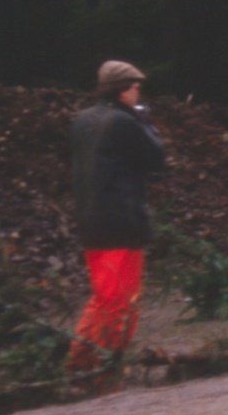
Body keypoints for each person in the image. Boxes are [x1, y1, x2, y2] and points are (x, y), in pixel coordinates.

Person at [68, 60, 167, 382]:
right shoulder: (123, 123)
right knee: (121, 301)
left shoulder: (82, 120)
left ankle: (81, 360)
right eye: (135, 86)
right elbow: (156, 160)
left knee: (104, 297)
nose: (138, 90)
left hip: (89, 221)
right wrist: (145, 122)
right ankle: (105, 366)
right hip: (121, 221)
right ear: (123, 88)